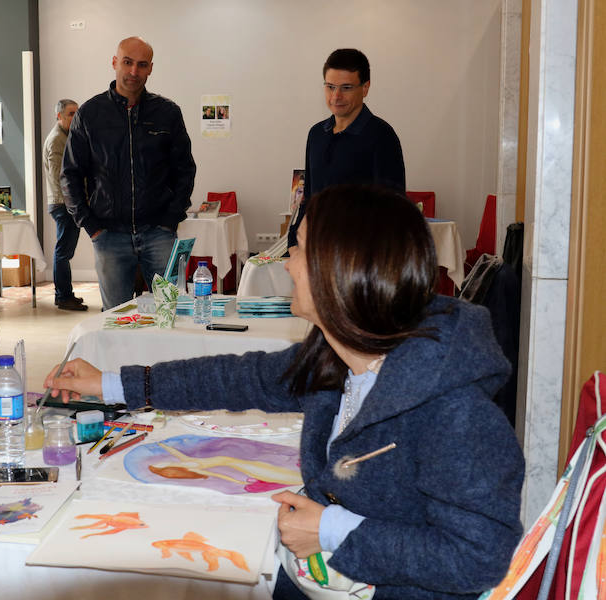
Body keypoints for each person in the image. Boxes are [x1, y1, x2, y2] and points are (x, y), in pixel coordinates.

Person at [46, 185, 524, 599]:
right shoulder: (339, 358)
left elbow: (479, 558)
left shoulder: (454, 408)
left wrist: (333, 530)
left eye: (296, 249)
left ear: (339, 269)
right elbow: (237, 377)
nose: (286, 263)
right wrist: (109, 383)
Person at [61, 36, 197, 310]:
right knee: (116, 320)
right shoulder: (89, 114)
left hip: (159, 233)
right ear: (115, 63)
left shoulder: (167, 113)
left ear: (150, 69)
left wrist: (170, 219)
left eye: (142, 65)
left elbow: (185, 169)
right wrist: (90, 225)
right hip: (109, 235)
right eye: (127, 62)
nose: (134, 71)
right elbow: (70, 175)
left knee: (169, 314)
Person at [287, 49, 405, 250]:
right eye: (330, 87)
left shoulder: (382, 136)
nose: (336, 96)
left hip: (356, 257)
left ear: (365, 88)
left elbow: (392, 210)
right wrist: (293, 244)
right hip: (315, 251)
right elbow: (308, 198)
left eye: (346, 87)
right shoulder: (316, 134)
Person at [44, 98, 87, 311]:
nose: (75, 117)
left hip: (65, 203)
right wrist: (73, 204)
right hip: (63, 204)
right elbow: (58, 177)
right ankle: (63, 296)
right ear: (59, 116)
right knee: (63, 252)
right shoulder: (56, 141)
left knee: (65, 251)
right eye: (71, 113)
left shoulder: (67, 137)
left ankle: (65, 294)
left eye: (76, 113)